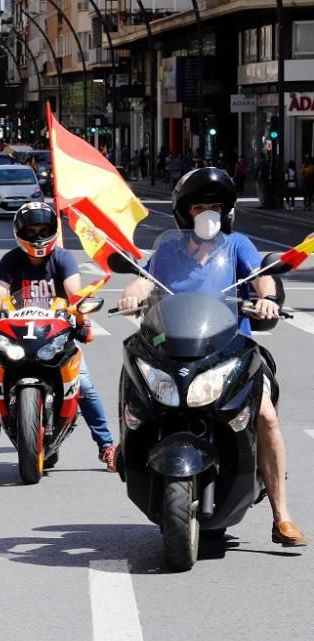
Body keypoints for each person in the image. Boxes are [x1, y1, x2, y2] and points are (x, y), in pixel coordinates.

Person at [117, 167, 305, 547]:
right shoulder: (168, 249)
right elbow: (143, 277)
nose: (207, 213)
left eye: (215, 206)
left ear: (227, 212)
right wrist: (131, 295)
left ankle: (282, 515)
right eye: (199, 206)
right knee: (137, 384)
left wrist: (266, 299)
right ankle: (126, 448)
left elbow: (262, 276)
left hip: (230, 348)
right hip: (175, 346)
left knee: (265, 414)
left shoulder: (238, 246)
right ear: (185, 212)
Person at [0, 202, 116, 475]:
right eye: (32, 230)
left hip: (56, 336)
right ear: (20, 233)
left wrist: (83, 324)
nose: (37, 236)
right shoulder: (11, 260)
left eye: (43, 230)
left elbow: (76, 295)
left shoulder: (63, 259)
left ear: (53, 231)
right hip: (17, 336)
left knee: (84, 384)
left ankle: (106, 446)